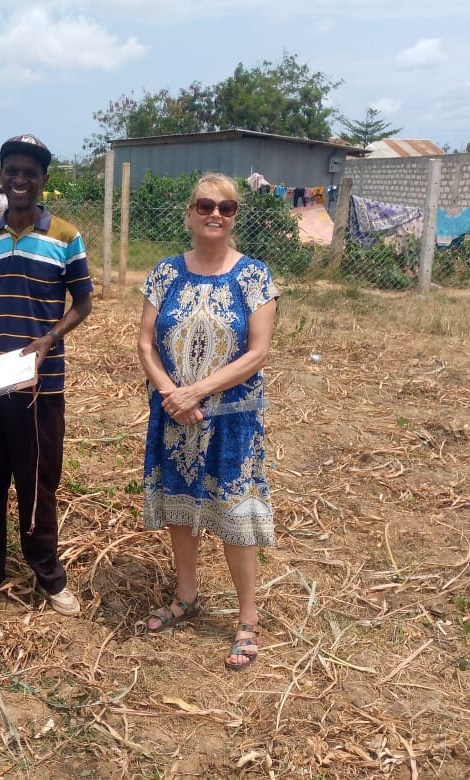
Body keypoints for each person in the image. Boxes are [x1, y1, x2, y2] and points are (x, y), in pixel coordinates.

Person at [136, 173, 278, 670]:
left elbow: (258, 352)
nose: (215, 213)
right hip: (175, 414)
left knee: (234, 518)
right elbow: (146, 342)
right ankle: (187, 596)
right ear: (190, 212)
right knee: (180, 509)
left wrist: (197, 390)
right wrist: (172, 394)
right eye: (205, 204)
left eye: (227, 206)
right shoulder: (165, 273)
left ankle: (247, 619)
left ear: (236, 215)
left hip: (231, 418)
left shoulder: (254, 277)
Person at [0, 134, 93, 616]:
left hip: (41, 382)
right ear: (1, 174)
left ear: (43, 180)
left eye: (30, 173)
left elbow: (83, 304)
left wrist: (48, 339)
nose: (20, 180)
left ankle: (48, 576)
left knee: (39, 482)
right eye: (12, 170)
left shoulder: (65, 236)